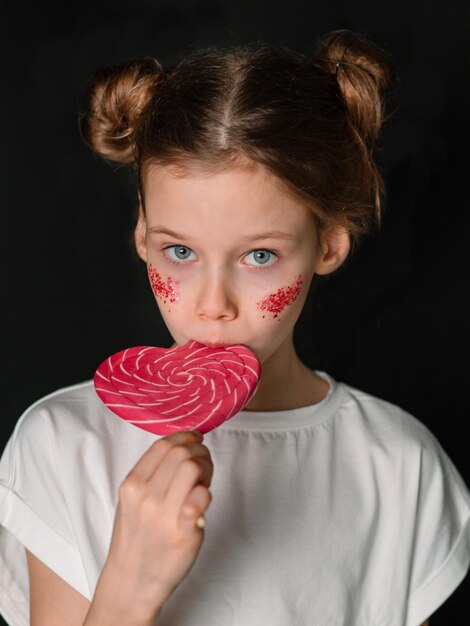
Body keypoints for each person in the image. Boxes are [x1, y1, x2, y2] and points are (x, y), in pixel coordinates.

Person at [0, 30, 468, 626]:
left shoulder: (400, 466)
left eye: (259, 256)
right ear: (144, 236)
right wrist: (130, 585)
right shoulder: (64, 445)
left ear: (327, 245)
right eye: (180, 253)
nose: (212, 305)